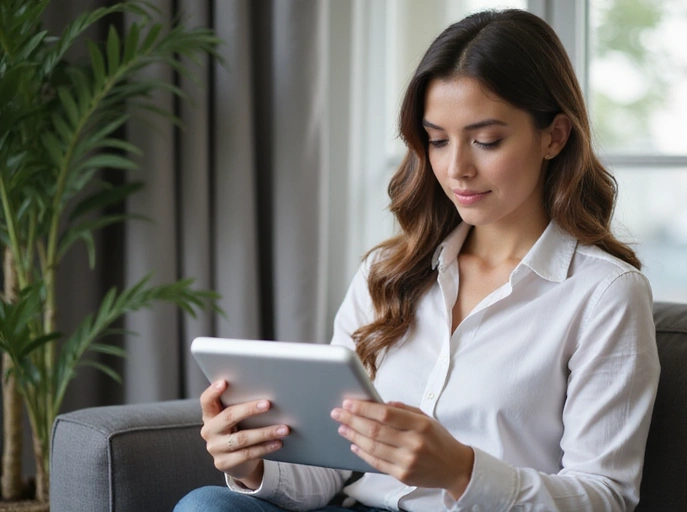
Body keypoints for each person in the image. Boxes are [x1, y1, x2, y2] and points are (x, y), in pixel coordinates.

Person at [175, 8, 660, 512]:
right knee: (208, 505)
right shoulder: (388, 273)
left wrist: (460, 471)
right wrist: (252, 461)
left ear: (554, 136)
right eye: (437, 140)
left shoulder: (604, 293)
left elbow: (606, 497)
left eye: (486, 140)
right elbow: (336, 465)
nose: (457, 169)